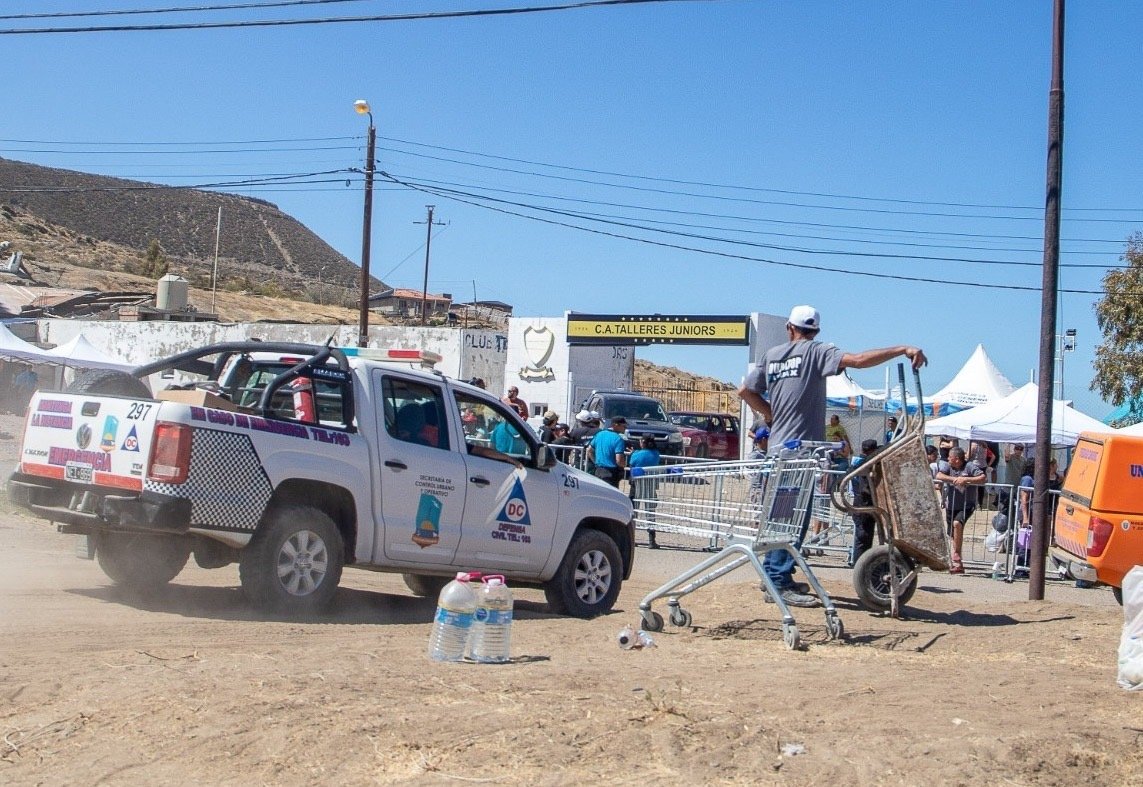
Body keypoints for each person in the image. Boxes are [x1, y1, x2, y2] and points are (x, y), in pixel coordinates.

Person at [737, 304, 927, 608]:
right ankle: (777, 580)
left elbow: (745, 391)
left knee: (781, 516)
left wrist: (772, 415)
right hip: (800, 453)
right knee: (793, 518)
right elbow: (859, 360)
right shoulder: (816, 351)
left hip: (779, 450)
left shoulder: (772, 355)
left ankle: (774, 575)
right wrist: (901, 349)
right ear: (815, 331)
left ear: (789, 328)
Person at [934, 446, 985, 574]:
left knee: (957, 523)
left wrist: (966, 479)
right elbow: (939, 475)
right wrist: (954, 480)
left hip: (966, 504)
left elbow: (983, 478)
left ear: (956, 459)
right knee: (953, 534)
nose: (948, 459)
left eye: (950, 457)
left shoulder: (969, 466)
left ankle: (956, 554)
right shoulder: (948, 467)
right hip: (951, 505)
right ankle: (958, 564)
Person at [628, 434, 662, 549]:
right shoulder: (656, 454)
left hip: (637, 484)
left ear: (643, 442)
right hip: (650, 484)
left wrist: (633, 453)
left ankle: (631, 538)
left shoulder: (636, 454)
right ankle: (652, 540)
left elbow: (632, 464)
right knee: (650, 512)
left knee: (633, 511)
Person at [849, 439, 880, 567]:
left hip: (859, 505)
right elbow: (865, 489)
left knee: (863, 537)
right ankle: (860, 566)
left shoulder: (857, 462)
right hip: (864, 506)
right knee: (863, 538)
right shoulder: (865, 465)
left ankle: (862, 565)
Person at [587, 416, 627, 487]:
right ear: (616, 425)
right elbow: (619, 460)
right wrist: (626, 465)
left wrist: (595, 462)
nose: (625, 428)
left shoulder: (600, 434)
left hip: (598, 471)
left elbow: (589, 450)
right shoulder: (618, 439)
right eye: (624, 426)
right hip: (611, 473)